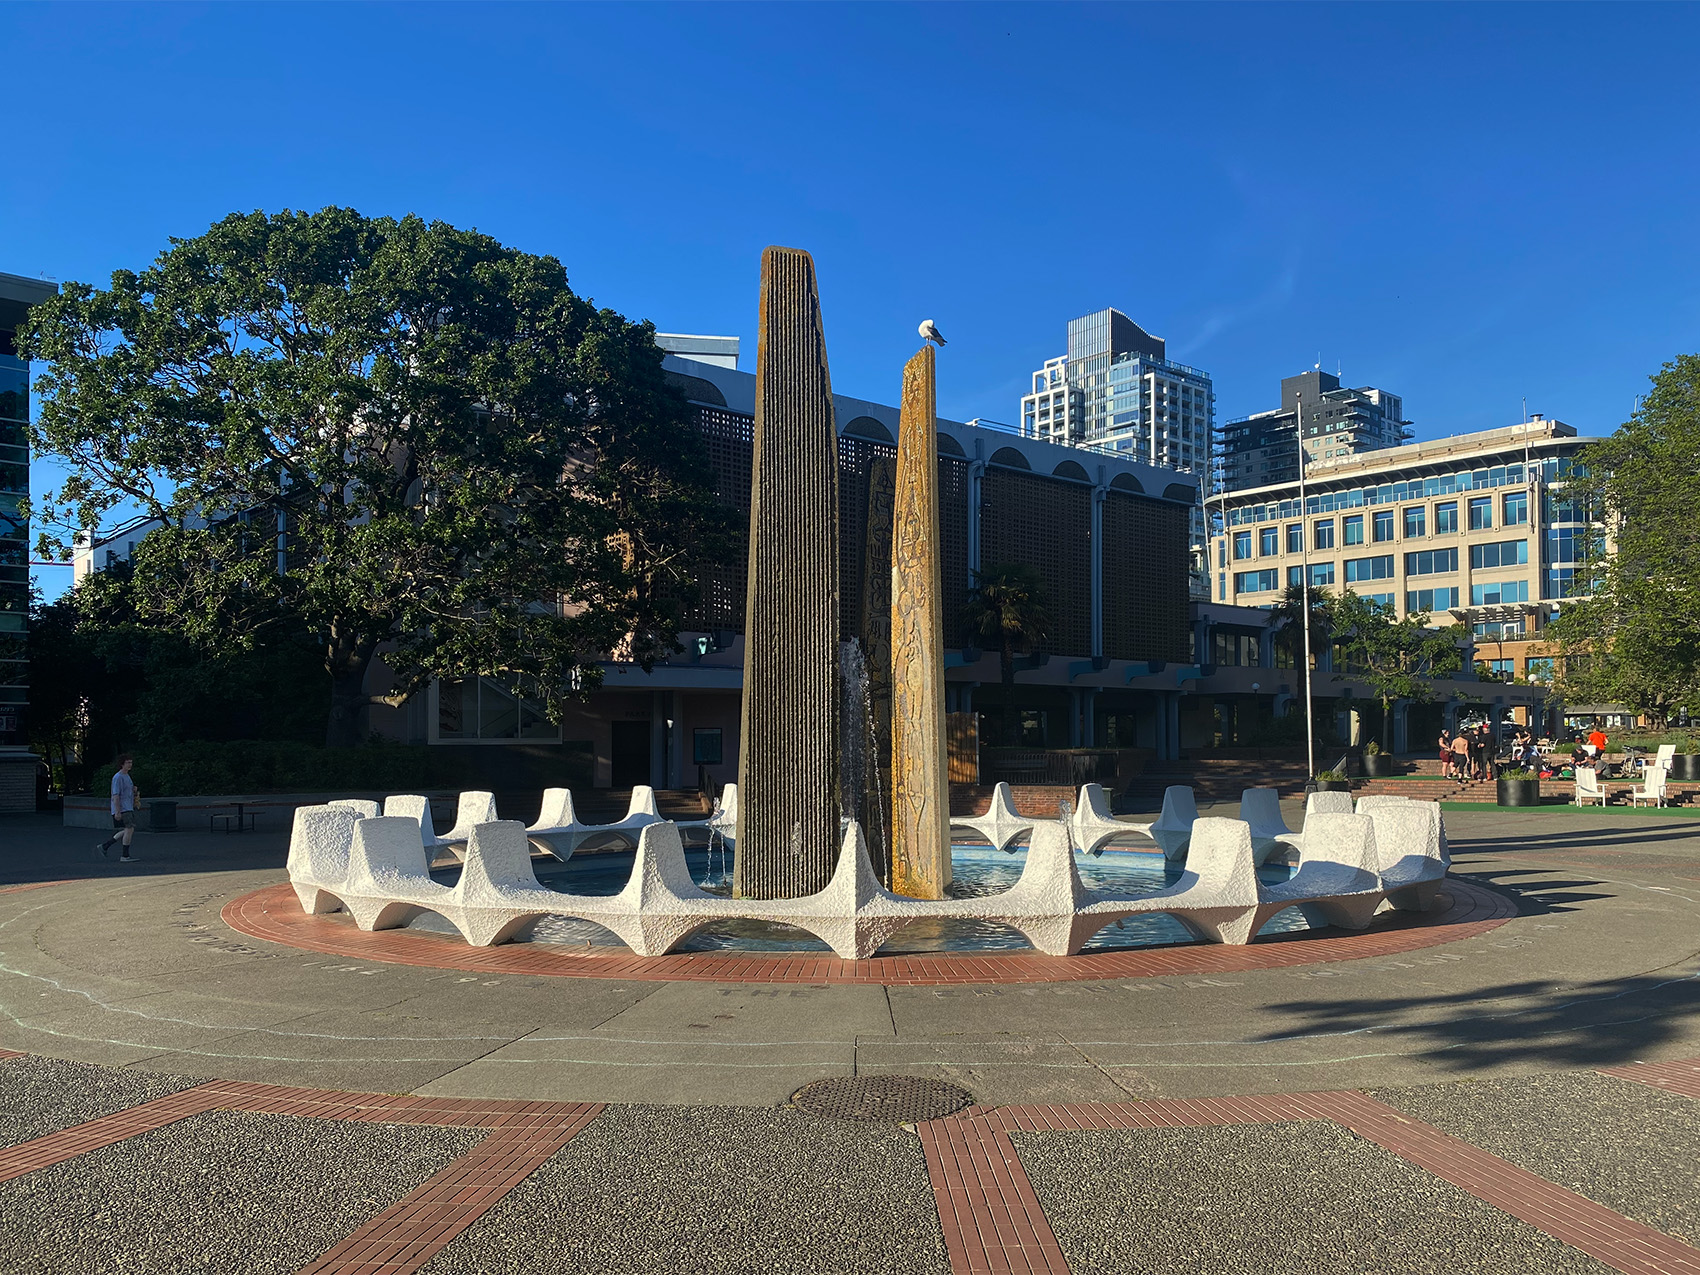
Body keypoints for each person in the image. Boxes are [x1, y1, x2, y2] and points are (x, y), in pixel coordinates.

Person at [95, 755, 140, 863]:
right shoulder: (118, 777)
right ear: (122, 764)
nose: (130, 765)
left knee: (128, 830)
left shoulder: (127, 776)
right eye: (128, 762)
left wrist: (134, 791)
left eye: (131, 762)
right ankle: (124, 855)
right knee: (129, 829)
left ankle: (106, 846)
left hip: (127, 807)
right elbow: (116, 796)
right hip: (124, 808)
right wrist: (117, 811)